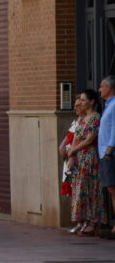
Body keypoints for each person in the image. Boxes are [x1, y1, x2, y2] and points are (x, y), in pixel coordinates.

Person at [67, 90, 105, 237]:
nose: (80, 102)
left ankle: (92, 221)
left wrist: (72, 150)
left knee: (90, 188)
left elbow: (89, 139)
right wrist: (72, 156)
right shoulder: (82, 118)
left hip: (90, 156)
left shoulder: (95, 117)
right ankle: (80, 220)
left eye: (83, 100)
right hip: (79, 157)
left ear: (92, 101)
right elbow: (76, 137)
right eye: (80, 100)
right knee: (79, 188)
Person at [97, 76, 115, 239]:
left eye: (102, 86)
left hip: (110, 154)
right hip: (104, 153)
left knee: (113, 189)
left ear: (110, 88)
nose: (99, 89)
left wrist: (109, 150)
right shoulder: (108, 105)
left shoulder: (114, 105)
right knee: (111, 190)